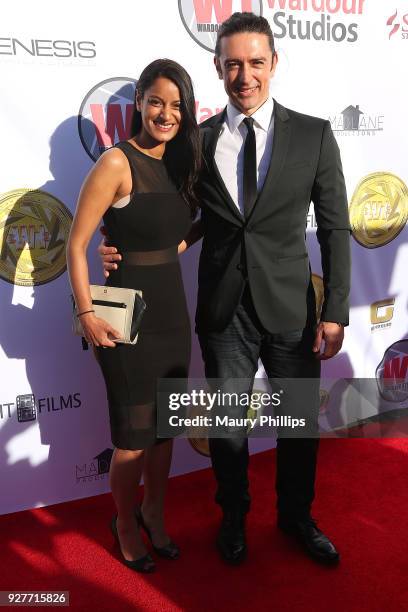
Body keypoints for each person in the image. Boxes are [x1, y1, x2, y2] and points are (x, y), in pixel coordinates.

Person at [100, 12, 351, 566]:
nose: (245, 75)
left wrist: (335, 310)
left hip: (291, 307)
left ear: (273, 64)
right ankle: (233, 517)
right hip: (223, 311)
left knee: (297, 425)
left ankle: (295, 518)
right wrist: (112, 241)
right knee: (229, 427)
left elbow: (334, 226)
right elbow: (156, 205)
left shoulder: (314, 134)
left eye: (256, 62)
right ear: (217, 68)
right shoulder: (196, 141)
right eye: (233, 63)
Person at [67, 59, 201, 573]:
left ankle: (153, 511)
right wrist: (85, 311)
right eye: (156, 102)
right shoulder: (116, 163)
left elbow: (199, 222)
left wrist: (170, 248)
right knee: (132, 436)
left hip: (172, 315)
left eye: (176, 104)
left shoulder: (183, 161)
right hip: (125, 318)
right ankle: (123, 521)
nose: (165, 113)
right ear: (139, 103)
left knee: (165, 431)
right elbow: (77, 245)